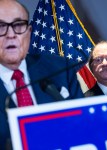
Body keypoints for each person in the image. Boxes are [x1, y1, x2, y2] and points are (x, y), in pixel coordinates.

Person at [0, 0, 84, 149]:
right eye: (0, 27)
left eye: (18, 25)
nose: (11, 34)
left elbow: (82, 124)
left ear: (29, 32)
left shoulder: (60, 68)